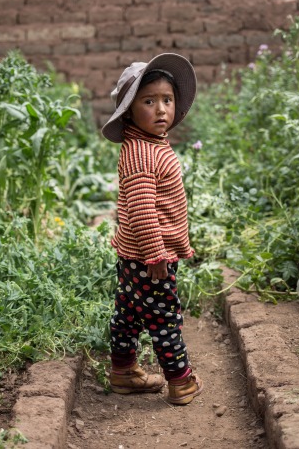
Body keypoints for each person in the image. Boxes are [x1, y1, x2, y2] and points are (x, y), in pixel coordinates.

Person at [101, 53, 203, 406]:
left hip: (134, 257)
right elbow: (143, 211)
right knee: (164, 319)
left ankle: (123, 372)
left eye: (167, 100)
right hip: (149, 257)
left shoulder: (146, 145)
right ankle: (181, 381)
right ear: (129, 111)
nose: (161, 109)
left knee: (128, 314)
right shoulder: (144, 154)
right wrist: (157, 254)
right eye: (149, 101)